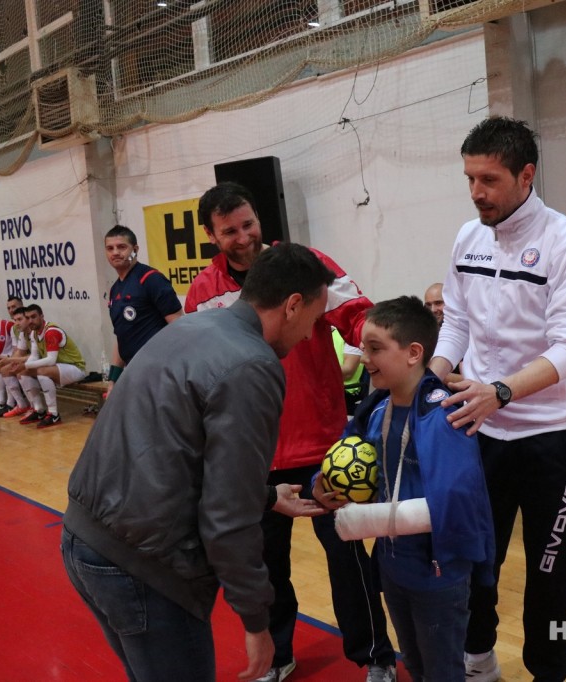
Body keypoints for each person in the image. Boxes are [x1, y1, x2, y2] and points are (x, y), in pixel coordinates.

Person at [62, 243, 335, 682]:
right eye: (313, 320)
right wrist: (256, 621)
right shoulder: (252, 365)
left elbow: (178, 453)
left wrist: (264, 495)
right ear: (292, 305)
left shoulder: (197, 327)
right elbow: (226, 515)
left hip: (84, 537)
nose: (309, 335)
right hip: (142, 564)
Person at [186, 182, 397, 682]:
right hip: (253, 454)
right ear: (211, 236)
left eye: (248, 223)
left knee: (349, 558)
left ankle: (376, 656)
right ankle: (278, 656)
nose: (243, 236)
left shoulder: (306, 263)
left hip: (326, 447)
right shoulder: (203, 292)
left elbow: (358, 316)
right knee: (264, 567)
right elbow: (200, 364)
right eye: (229, 231)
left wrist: (388, 351)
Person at [428, 117, 566, 682]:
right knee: (476, 558)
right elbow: (456, 322)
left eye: (489, 179)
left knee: (551, 573)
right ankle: (478, 660)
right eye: (469, 179)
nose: (477, 192)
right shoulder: (467, 237)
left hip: (550, 438)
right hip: (480, 431)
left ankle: (547, 674)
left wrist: (501, 392)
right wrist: (431, 376)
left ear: (526, 175)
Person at [322, 296, 495, 681]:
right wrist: (323, 485)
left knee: (442, 672)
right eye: (363, 347)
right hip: (392, 567)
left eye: (375, 348)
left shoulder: (445, 413)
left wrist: (364, 521)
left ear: (414, 353)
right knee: (414, 665)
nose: (363, 358)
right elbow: (349, 460)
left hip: (438, 576)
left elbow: (455, 505)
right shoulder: (376, 409)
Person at [103, 224, 182, 392]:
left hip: (159, 373)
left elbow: (180, 327)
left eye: (121, 247)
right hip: (134, 372)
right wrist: (113, 381)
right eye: (110, 248)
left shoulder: (152, 280)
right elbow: (120, 335)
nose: (115, 252)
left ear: (135, 249)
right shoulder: (115, 289)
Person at [2, 304, 87, 428]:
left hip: (75, 368)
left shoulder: (51, 331)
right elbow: (34, 356)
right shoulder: (35, 333)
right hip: (59, 368)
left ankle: (53, 414)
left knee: (41, 370)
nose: (31, 320)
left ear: (42, 316)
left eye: (34, 317)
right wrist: (23, 366)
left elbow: (51, 360)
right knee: (23, 372)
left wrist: (25, 365)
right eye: (28, 317)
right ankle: (39, 410)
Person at [333, 327, 367, 416]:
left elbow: (348, 371)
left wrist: (320, 372)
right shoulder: (332, 332)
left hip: (347, 389)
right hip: (331, 384)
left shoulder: (353, 337)